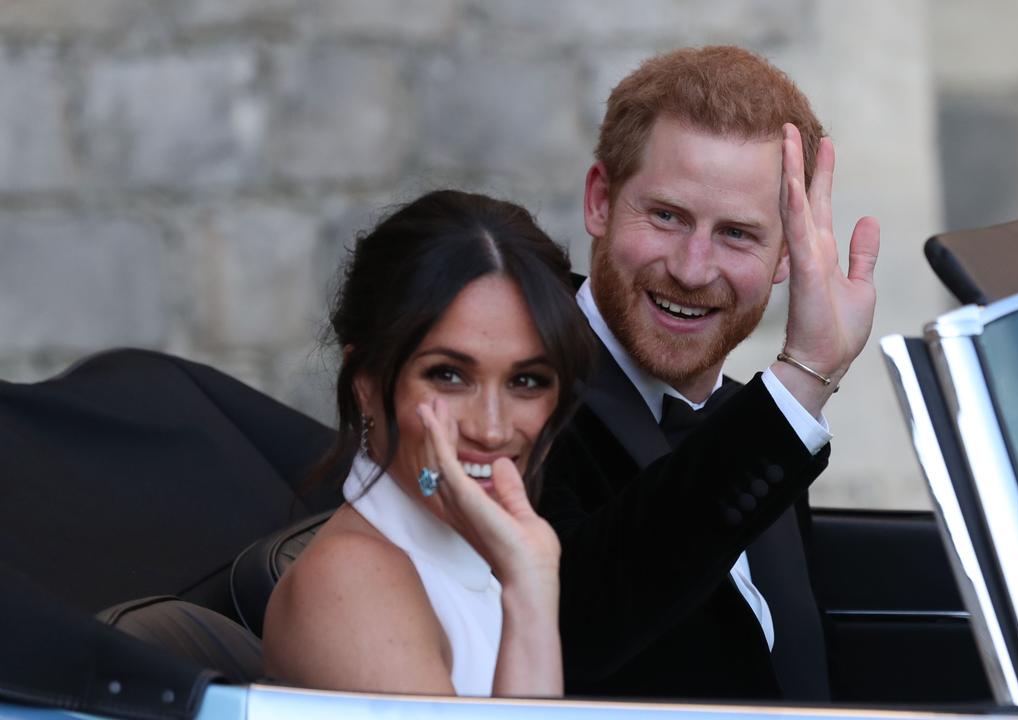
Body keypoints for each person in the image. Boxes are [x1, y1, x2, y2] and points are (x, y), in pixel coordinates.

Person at [539, 46, 880, 700]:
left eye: (738, 235)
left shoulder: (752, 421)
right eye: (666, 216)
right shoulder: (517, 391)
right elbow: (573, 629)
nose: (693, 269)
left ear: (787, 256)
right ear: (601, 202)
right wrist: (805, 376)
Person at [262, 190, 594, 697]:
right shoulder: (350, 581)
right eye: (448, 375)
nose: (491, 428)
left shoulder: (475, 558)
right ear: (366, 385)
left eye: (526, 381)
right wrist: (529, 590)